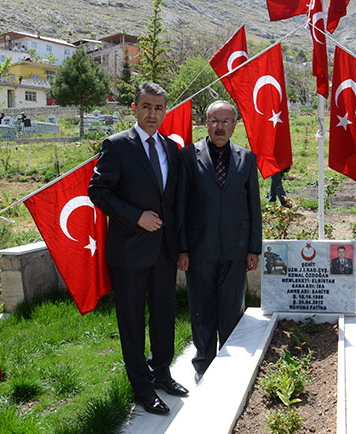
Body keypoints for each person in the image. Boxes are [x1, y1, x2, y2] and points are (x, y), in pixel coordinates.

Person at [89, 82, 188, 416]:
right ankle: (142, 389)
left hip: (162, 251)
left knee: (164, 316)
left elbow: (173, 201)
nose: (153, 114)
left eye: (159, 108)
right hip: (128, 251)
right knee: (132, 322)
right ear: (134, 108)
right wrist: (136, 217)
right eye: (147, 107)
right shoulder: (116, 146)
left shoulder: (171, 148)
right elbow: (98, 191)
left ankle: (162, 373)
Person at [177, 100, 262, 383]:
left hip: (235, 250)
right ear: (206, 123)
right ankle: (203, 364)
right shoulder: (188, 157)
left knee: (231, 310)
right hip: (199, 250)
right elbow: (180, 206)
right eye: (214, 120)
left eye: (226, 121)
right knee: (202, 310)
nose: (220, 127)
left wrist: (253, 248)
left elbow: (253, 206)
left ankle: (229, 363)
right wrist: (182, 248)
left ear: (235, 125)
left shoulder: (247, 159)